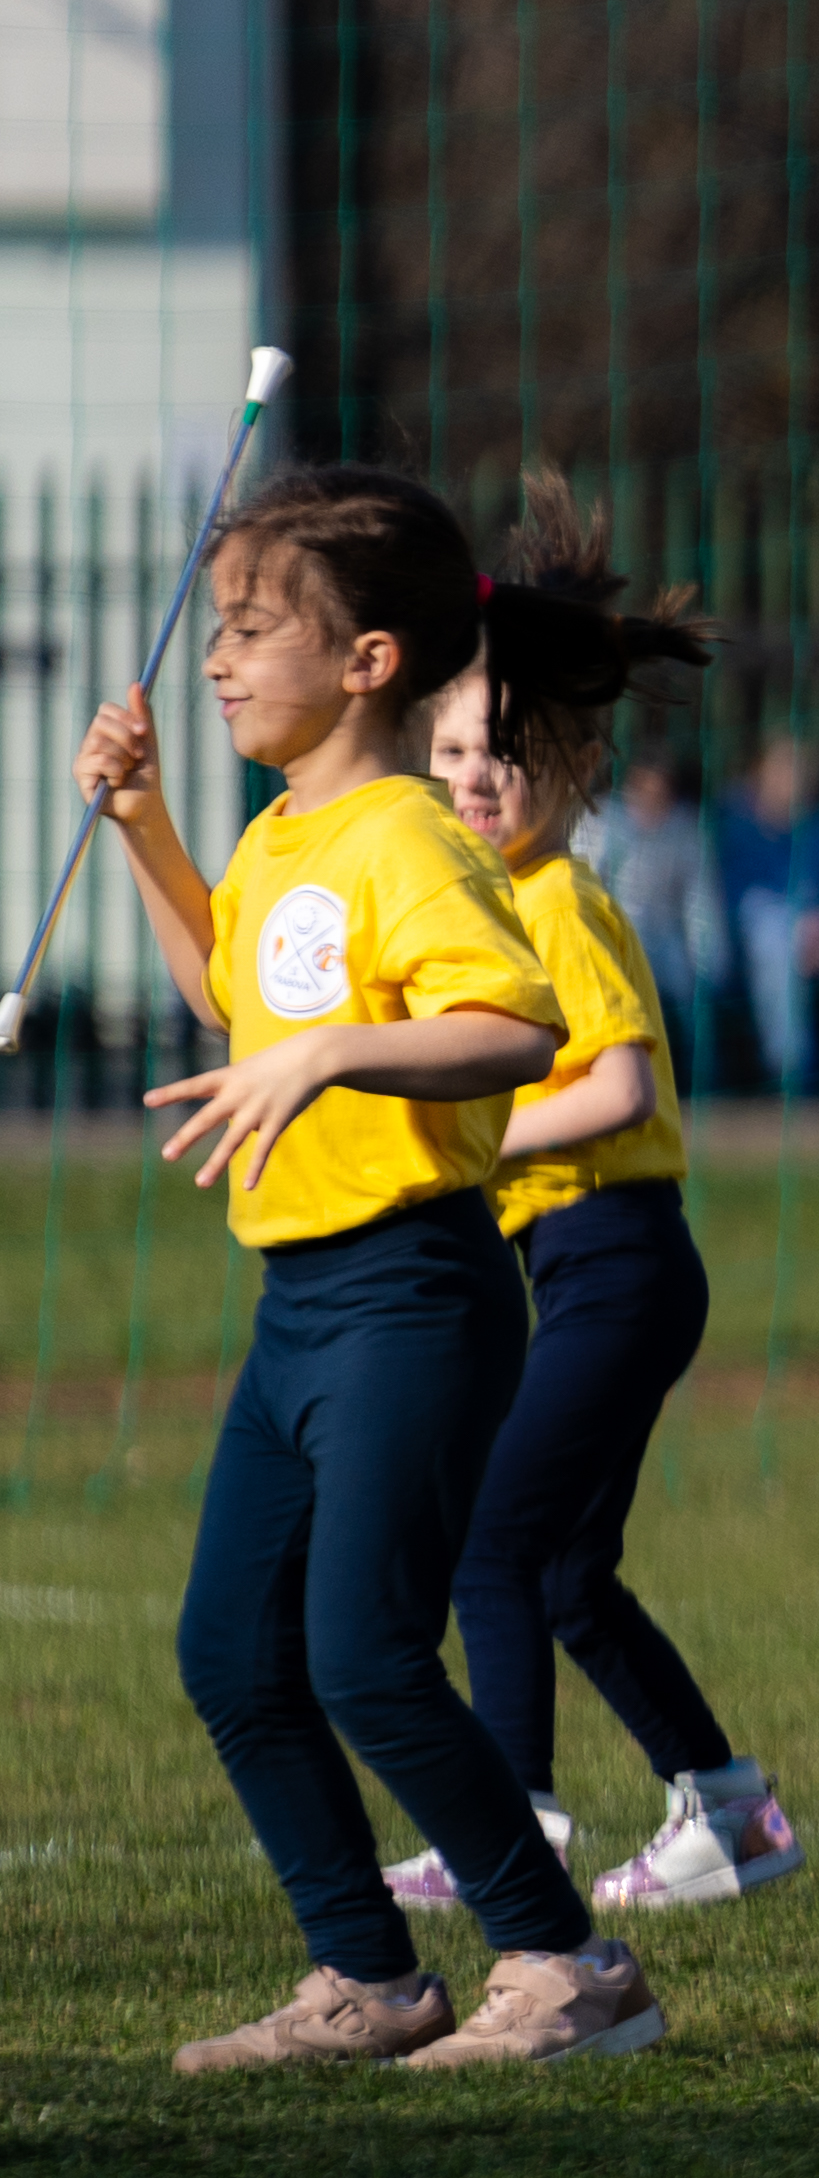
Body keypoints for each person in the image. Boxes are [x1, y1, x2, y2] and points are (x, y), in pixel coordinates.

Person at [74, 462, 666, 2071]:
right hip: (299, 1310)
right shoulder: (284, 836)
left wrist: (333, 1055)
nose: (214, 658)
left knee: (364, 1657)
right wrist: (144, 824)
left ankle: (568, 1968)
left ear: (369, 663)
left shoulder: (410, 838)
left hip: (414, 1294)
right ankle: (371, 1980)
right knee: (228, 1655)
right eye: (216, 628)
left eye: (254, 627)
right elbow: (228, 992)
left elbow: (517, 1024)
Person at [380, 478, 797, 1930]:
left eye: (502, 753)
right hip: (602, 1272)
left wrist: (478, 1143)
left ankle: (517, 1827)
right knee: (562, 1570)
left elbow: (616, 1088)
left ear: (566, 761)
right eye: (450, 755)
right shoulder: (491, 909)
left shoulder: (558, 902)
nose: (474, 779)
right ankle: (731, 1813)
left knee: (496, 1540)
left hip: (618, 1262)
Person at [720, 730, 819, 1100]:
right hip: (769, 933)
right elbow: (736, 900)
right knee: (775, 949)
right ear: (763, 774)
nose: (794, 780)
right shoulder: (740, 827)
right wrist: (796, 926)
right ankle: (792, 1075)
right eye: (784, 770)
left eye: (801, 771)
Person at [575, 751, 731, 1099]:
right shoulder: (600, 821)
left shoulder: (685, 830)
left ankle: (700, 1077)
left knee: (688, 991)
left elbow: (698, 899)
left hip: (664, 937)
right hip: (611, 932)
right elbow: (581, 888)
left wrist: (710, 959)